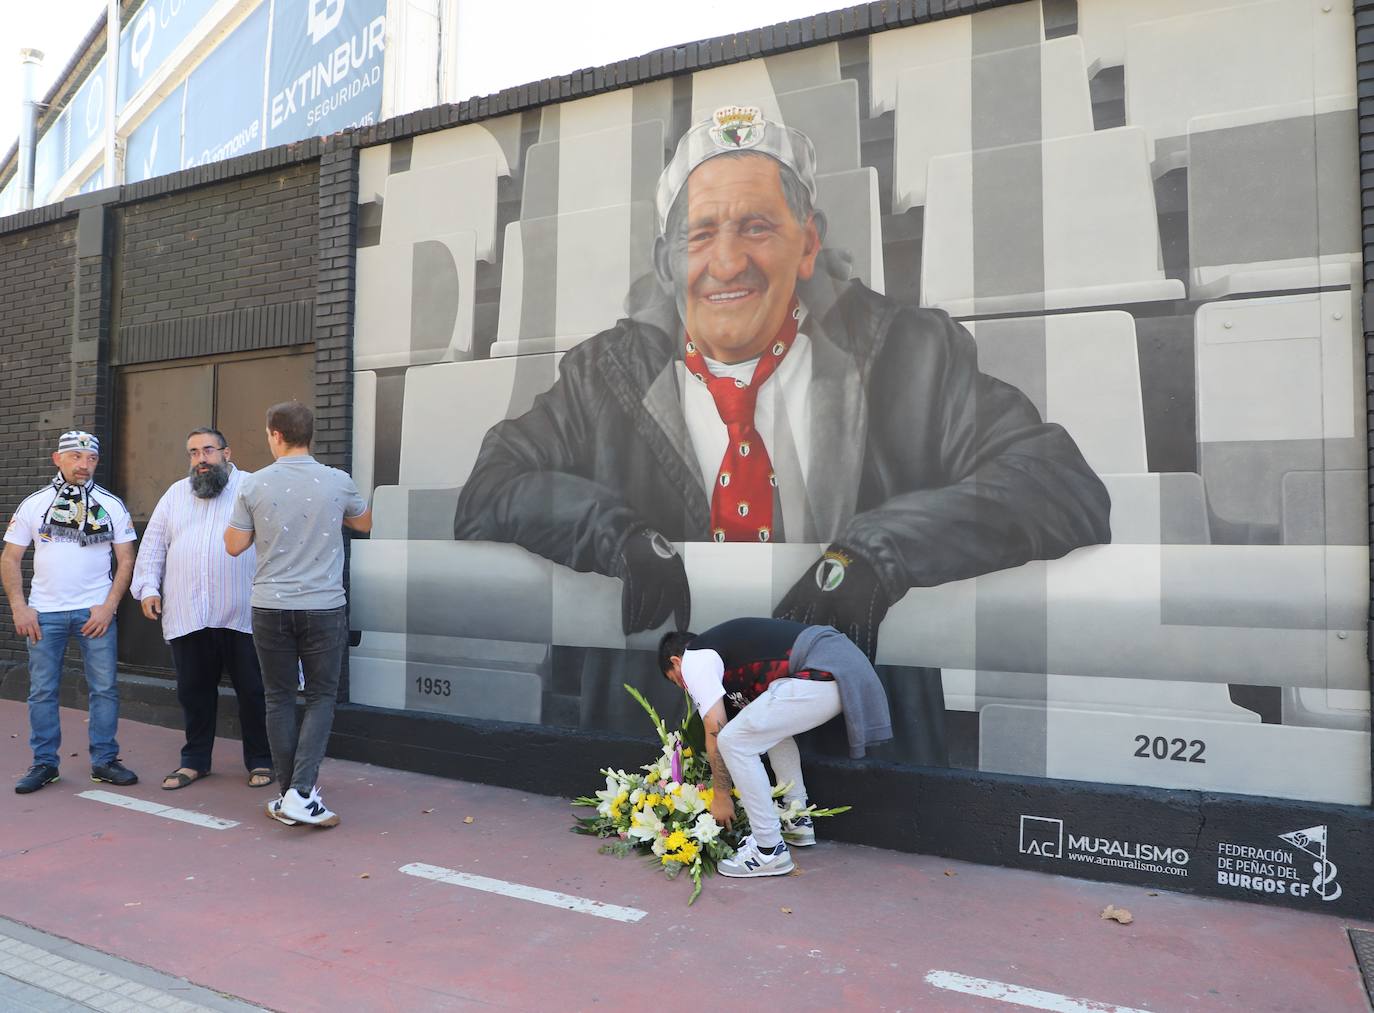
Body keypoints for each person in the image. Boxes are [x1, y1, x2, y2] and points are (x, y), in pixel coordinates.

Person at [454, 106, 1111, 764]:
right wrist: (615, 533)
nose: (728, 260)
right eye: (700, 233)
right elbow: (492, 487)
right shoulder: (602, 375)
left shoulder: (912, 353)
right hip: (661, 751)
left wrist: (876, 552)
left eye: (758, 226)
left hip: (854, 755)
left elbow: (1055, 480)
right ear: (665, 262)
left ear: (808, 244)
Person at [225, 402, 371, 828]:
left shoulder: (254, 485)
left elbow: (234, 545)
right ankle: (301, 793)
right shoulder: (337, 481)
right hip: (324, 606)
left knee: (279, 698)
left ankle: (290, 794)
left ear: (275, 434)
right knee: (322, 697)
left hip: (270, 605)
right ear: (311, 435)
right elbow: (363, 523)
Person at [658, 617, 891, 878]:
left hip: (827, 667)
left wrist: (721, 796)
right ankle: (797, 818)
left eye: (679, 682)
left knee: (732, 740)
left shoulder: (694, 658)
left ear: (676, 662)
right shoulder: (730, 655)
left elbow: (715, 730)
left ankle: (769, 849)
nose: (685, 688)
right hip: (843, 667)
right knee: (768, 730)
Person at [131, 428, 273, 791]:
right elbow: (152, 546)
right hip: (188, 612)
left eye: (208, 450)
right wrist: (148, 587)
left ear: (227, 452)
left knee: (254, 692)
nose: (201, 459)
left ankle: (261, 760)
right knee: (193, 692)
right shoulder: (176, 494)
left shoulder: (253, 487)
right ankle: (195, 761)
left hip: (244, 612)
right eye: (193, 453)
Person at [3, 431, 139, 793]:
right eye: (76, 457)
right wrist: (20, 607)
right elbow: (10, 557)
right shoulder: (34, 504)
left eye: (91, 458)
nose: (84, 465)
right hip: (44, 613)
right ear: (57, 459)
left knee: (105, 689)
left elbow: (126, 560)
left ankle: (105, 761)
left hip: (94, 613)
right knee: (43, 691)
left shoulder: (111, 504)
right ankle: (44, 764)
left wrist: (108, 607)